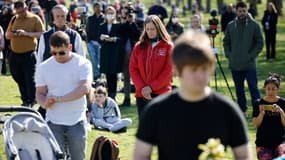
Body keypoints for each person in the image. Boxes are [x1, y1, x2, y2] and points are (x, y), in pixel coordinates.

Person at [134, 30, 251, 160]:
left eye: (204, 68)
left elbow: (243, 156)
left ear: (212, 68)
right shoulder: (156, 110)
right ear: (177, 70)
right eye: (193, 69)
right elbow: (141, 155)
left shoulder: (227, 110)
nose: (200, 76)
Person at [35, 31, 92, 160]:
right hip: (53, 120)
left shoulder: (83, 63)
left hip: (77, 119)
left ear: (70, 47)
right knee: (54, 157)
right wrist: (44, 103)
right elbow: (39, 92)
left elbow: (85, 88)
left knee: (78, 157)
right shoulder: (43, 67)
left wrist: (59, 99)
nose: (58, 56)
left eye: (61, 52)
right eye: (54, 53)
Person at [223, 1, 264, 115]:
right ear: (236, 11)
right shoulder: (230, 25)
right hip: (235, 64)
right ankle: (242, 111)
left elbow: (260, 42)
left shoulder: (254, 25)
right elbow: (226, 42)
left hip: (249, 64)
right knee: (239, 90)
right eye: (240, 11)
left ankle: (258, 111)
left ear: (247, 11)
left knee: (253, 88)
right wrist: (229, 55)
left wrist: (251, 56)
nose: (242, 13)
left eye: (244, 11)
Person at [129, 15, 173, 119]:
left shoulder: (168, 46)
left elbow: (168, 71)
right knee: (145, 131)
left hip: (162, 94)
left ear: (159, 28)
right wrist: (143, 88)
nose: (150, 32)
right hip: (142, 94)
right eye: (147, 29)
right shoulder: (139, 47)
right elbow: (133, 68)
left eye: (152, 29)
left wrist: (151, 87)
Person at [5, 0, 45, 107]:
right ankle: (25, 99)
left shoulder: (34, 19)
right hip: (15, 54)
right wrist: (14, 34)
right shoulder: (14, 19)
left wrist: (26, 34)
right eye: (18, 12)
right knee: (18, 77)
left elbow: (42, 34)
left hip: (29, 55)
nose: (20, 14)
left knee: (30, 79)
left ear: (26, 8)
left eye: (22, 12)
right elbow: (7, 35)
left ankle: (31, 101)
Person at [253, 73, 285, 159]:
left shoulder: (283, 103)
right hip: (262, 142)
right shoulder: (258, 103)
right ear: (264, 89)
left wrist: (281, 112)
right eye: (268, 89)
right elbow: (256, 125)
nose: (270, 92)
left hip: (280, 141)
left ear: (278, 89)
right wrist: (261, 114)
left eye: (273, 89)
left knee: (281, 157)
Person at [98, 6, 121, 100]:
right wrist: (102, 38)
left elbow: (121, 38)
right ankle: (109, 94)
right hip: (105, 52)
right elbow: (98, 39)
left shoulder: (118, 25)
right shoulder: (102, 25)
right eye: (108, 13)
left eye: (112, 13)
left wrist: (113, 39)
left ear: (115, 14)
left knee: (114, 73)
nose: (110, 15)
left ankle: (114, 94)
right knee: (107, 73)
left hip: (114, 52)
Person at [118, 10, 141, 107]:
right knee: (126, 78)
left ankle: (138, 98)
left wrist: (133, 24)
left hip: (135, 58)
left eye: (132, 16)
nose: (130, 18)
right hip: (124, 56)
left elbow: (138, 36)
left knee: (137, 79)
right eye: (128, 16)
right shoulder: (122, 27)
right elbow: (120, 37)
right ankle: (127, 98)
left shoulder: (137, 26)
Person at [86, 2, 104, 81]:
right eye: (96, 7)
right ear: (94, 8)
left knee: (100, 60)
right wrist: (88, 41)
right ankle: (97, 75)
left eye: (99, 7)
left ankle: (100, 75)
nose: (98, 8)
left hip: (100, 42)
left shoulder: (104, 18)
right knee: (93, 59)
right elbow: (87, 29)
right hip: (92, 42)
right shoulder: (90, 18)